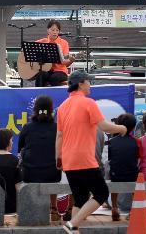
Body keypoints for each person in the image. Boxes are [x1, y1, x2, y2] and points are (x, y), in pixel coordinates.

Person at [56, 71, 127, 233]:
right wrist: (121, 128)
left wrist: (58, 157)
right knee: (101, 193)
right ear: (80, 83)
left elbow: (59, 136)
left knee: (80, 199)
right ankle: (72, 224)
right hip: (84, 159)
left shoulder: (62, 107)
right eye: (89, 81)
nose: (90, 85)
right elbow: (104, 126)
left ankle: (73, 230)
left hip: (68, 160)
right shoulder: (88, 103)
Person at [18, 95, 63, 221]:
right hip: (52, 173)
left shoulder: (27, 127)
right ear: (51, 110)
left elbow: (20, 148)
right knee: (53, 169)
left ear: (35, 109)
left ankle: (32, 208)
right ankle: (53, 208)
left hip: (30, 173)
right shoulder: (56, 128)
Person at [107, 113, 140, 221]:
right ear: (133, 127)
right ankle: (134, 209)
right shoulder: (137, 141)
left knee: (112, 169)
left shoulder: (112, 142)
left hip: (115, 175)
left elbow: (111, 159)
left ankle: (115, 208)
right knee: (135, 176)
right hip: (132, 175)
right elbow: (137, 159)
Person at [35, 20, 75, 87]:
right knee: (40, 75)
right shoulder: (43, 41)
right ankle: (38, 95)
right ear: (48, 30)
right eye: (53, 30)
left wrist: (70, 60)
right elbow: (29, 47)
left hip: (60, 71)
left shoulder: (64, 43)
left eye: (57, 30)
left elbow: (65, 63)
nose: (55, 32)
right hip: (47, 70)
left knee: (54, 78)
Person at [0, 129, 21, 214]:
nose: (12, 143)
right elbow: (18, 187)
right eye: (12, 140)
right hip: (11, 207)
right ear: (7, 142)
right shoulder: (15, 160)